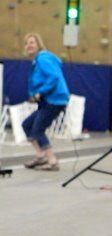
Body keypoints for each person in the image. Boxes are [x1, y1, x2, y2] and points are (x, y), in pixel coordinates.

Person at [21, 33, 69, 171]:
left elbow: (53, 78)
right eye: (26, 43)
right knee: (27, 125)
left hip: (54, 100)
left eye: (32, 42)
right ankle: (40, 155)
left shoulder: (43, 58)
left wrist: (39, 93)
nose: (29, 45)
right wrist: (34, 95)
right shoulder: (38, 61)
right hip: (48, 100)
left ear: (38, 45)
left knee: (38, 130)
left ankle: (52, 161)